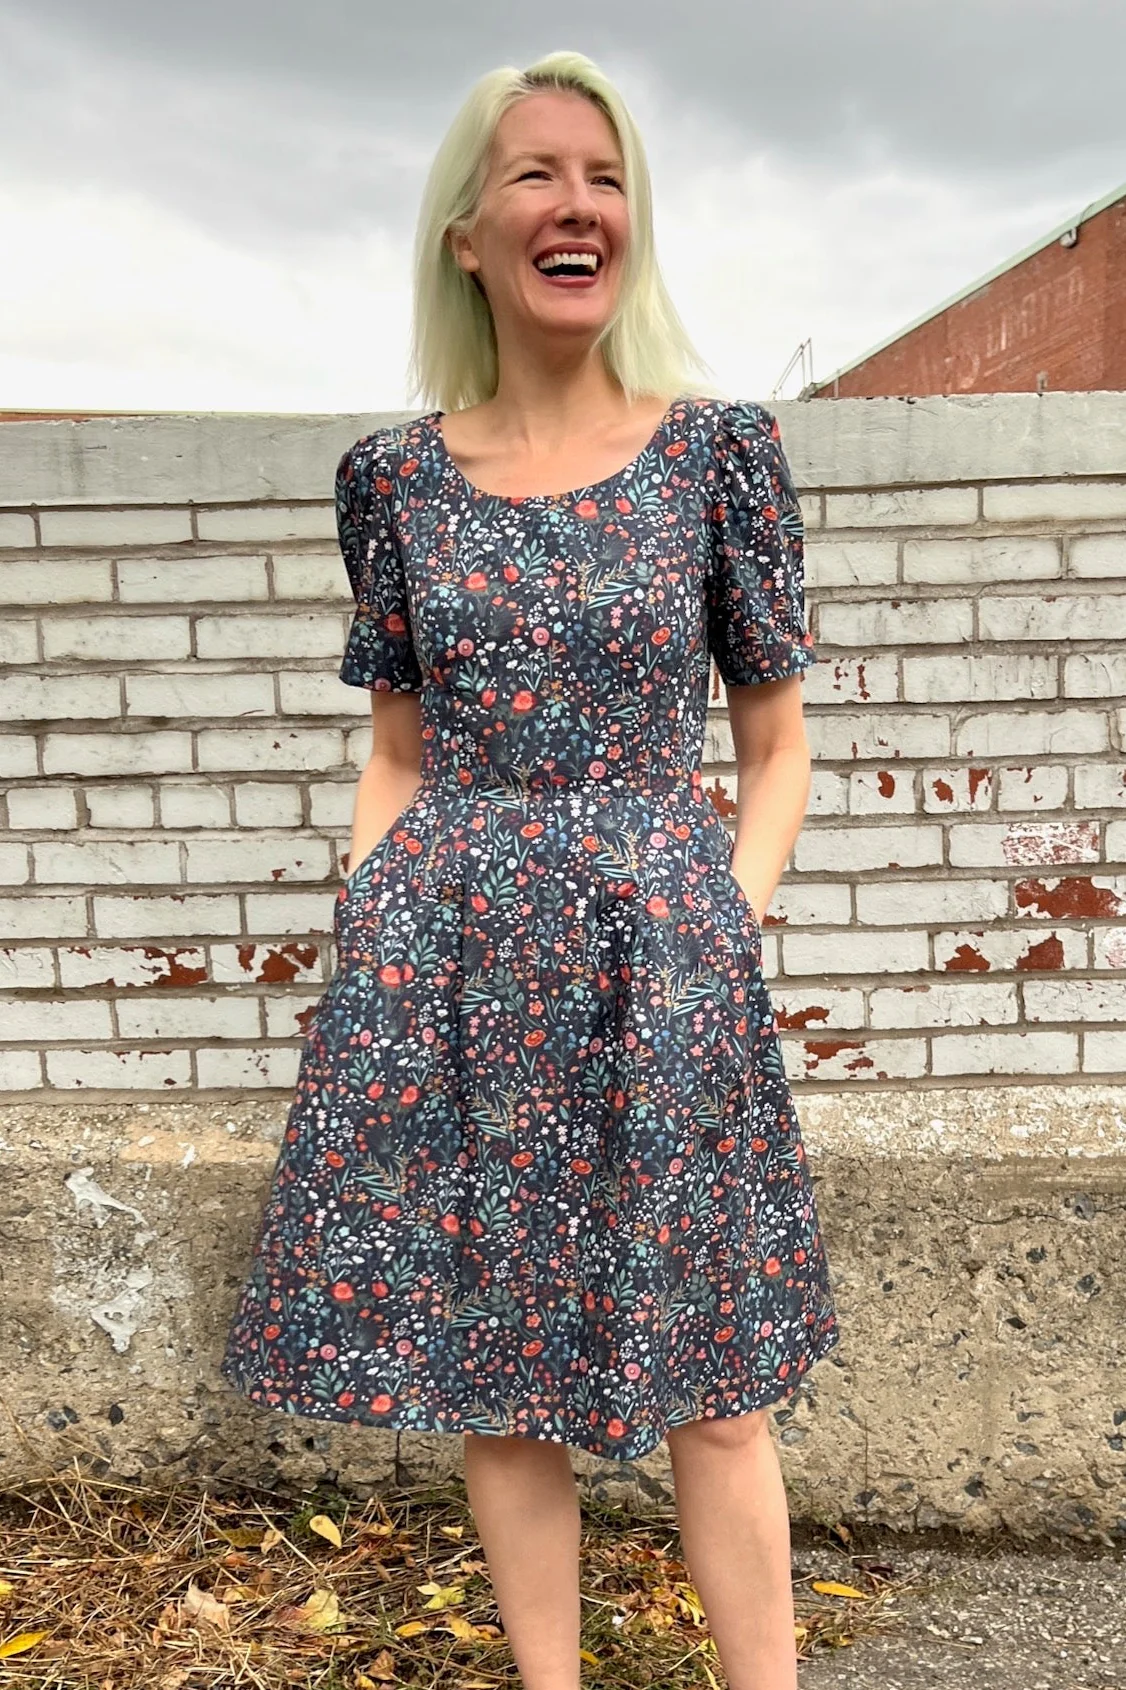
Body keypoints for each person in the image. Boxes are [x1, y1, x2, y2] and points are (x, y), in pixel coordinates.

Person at [223, 47, 840, 1690]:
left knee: (717, 1383)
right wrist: (374, 927)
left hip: (664, 968)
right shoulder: (393, 482)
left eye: (606, 177)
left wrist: (718, 923)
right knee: (500, 1386)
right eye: (538, 175)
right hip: (456, 966)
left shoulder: (718, 456)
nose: (578, 206)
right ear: (467, 235)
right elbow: (398, 751)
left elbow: (775, 745)